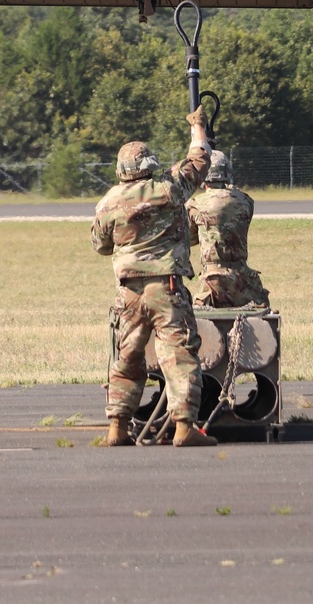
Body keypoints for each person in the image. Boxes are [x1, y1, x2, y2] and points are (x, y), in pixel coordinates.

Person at [91, 106, 217, 447]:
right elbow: (199, 162)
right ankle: (184, 427)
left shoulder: (107, 202)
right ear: (150, 164)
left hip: (128, 292)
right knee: (178, 357)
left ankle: (117, 427)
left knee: (127, 357)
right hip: (167, 287)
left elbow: (100, 245)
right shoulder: (168, 188)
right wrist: (198, 129)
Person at [187, 151, 270, 310]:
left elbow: (189, 239)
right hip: (243, 278)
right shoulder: (245, 201)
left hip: (212, 281)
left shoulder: (196, 204)